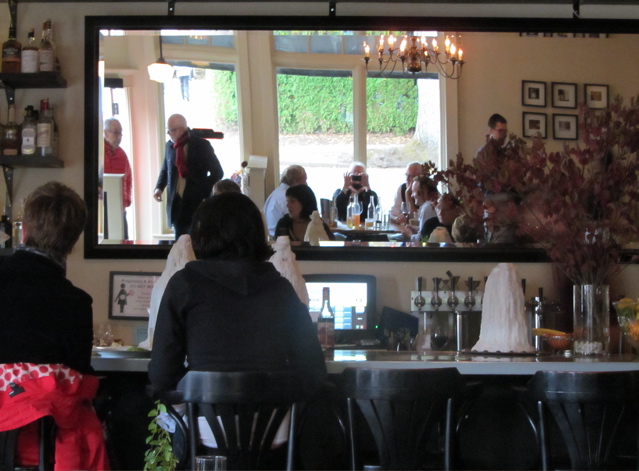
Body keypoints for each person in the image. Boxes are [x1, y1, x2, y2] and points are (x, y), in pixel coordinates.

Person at [148, 193, 327, 461]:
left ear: (202, 234)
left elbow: (162, 375)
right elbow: (314, 372)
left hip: (206, 432)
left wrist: (196, 390)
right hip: (274, 434)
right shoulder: (281, 289)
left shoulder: (184, 285)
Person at [0, 182, 109, 471]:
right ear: (74, 241)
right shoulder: (75, 303)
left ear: (24, 229)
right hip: (38, 442)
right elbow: (78, 380)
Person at [153, 114, 224, 239]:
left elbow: (218, 172)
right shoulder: (170, 146)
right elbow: (165, 169)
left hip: (195, 202)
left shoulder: (201, 145)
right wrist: (159, 188)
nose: (169, 134)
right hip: (176, 203)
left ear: (181, 130)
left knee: (195, 241)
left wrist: (202, 190)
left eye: (171, 131)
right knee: (180, 242)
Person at [103, 117, 133, 239]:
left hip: (120, 209)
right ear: (105, 133)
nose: (119, 137)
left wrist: (127, 200)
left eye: (120, 133)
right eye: (116, 132)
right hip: (101, 210)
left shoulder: (122, 154)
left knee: (122, 243)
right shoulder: (97, 152)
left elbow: (128, 179)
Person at [263, 165, 307, 236]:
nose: (306, 184)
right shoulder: (288, 197)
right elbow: (296, 222)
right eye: (305, 180)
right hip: (280, 237)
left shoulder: (276, 193)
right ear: (296, 181)